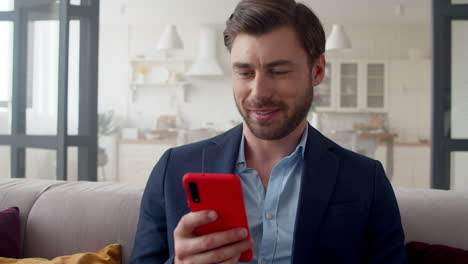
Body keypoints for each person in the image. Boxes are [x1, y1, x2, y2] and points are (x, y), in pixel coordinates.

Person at [129, 0, 406, 263]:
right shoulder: (172, 169)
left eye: (279, 71)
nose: (258, 92)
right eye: (245, 73)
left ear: (317, 70)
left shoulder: (365, 180)